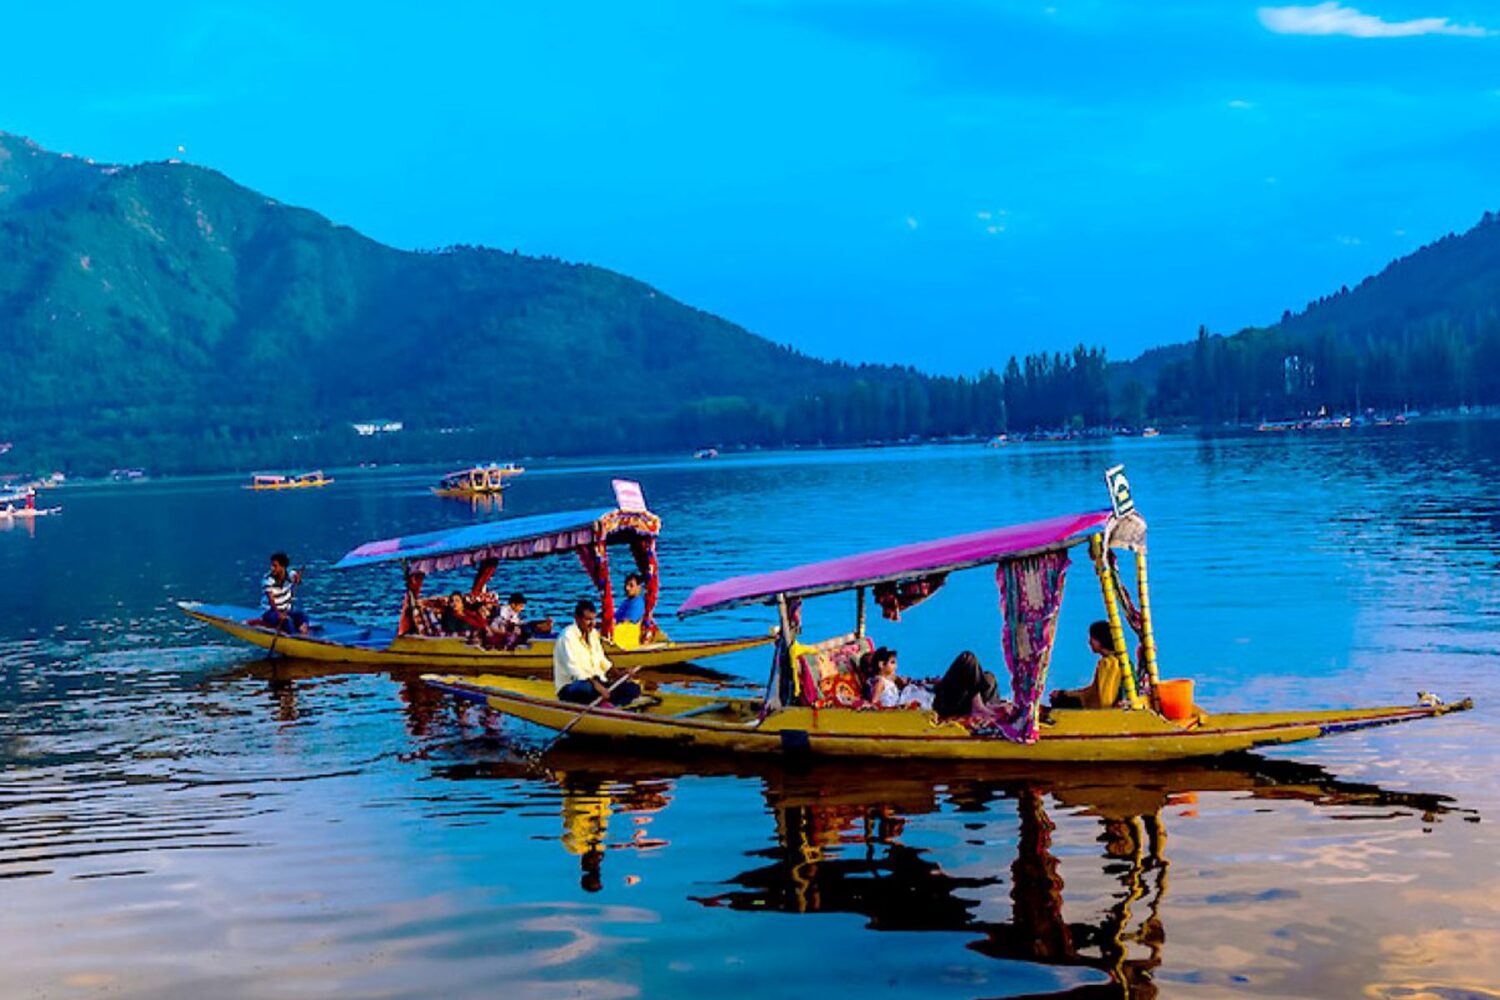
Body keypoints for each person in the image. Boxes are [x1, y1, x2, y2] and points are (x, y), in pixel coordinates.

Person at [554, 599, 642, 706]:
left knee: (633, 688)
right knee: (586, 688)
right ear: (577, 619)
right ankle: (607, 703)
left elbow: (602, 661)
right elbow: (575, 672)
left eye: (594, 619)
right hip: (573, 687)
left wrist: (620, 674)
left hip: (597, 682)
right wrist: (597, 686)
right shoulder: (567, 636)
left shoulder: (593, 634)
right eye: (588, 620)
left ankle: (611, 703)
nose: (592, 624)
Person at [1049, 621, 1124, 710]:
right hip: (1103, 706)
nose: (1089, 642)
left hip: (1101, 710)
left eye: (1092, 638)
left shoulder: (1108, 663)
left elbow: (1101, 696)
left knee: (1059, 700)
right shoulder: (1118, 660)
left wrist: (1063, 694)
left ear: (1101, 640)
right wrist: (1066, 693)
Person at [932, 650, 1002, 719]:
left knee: (989, 677)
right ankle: (978, 706)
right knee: (968, 658)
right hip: (945, 705)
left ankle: (991, 708)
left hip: (964, 706)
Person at [865, 646, 935, 710]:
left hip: (899, 700)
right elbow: (874, 702)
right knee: (920, 696)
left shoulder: (888, 679)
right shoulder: (880, 682)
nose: (896, 666)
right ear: (881, 664)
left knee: (921, 691)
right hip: (896, 705)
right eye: (892, 662)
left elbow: (901, 683)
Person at [261, 552, 309, 634]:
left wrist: (298, 579)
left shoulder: (290, 574)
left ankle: (303, 630)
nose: (272, 568)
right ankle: (294, 639)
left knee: (302, 615)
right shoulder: (268, 579)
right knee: (287, 621)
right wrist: (279, 614)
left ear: (282, 567)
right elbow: (271, 600)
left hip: (286, 610)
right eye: (272, 565)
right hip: (271, 612)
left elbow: (297, 579)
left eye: (275, 566)